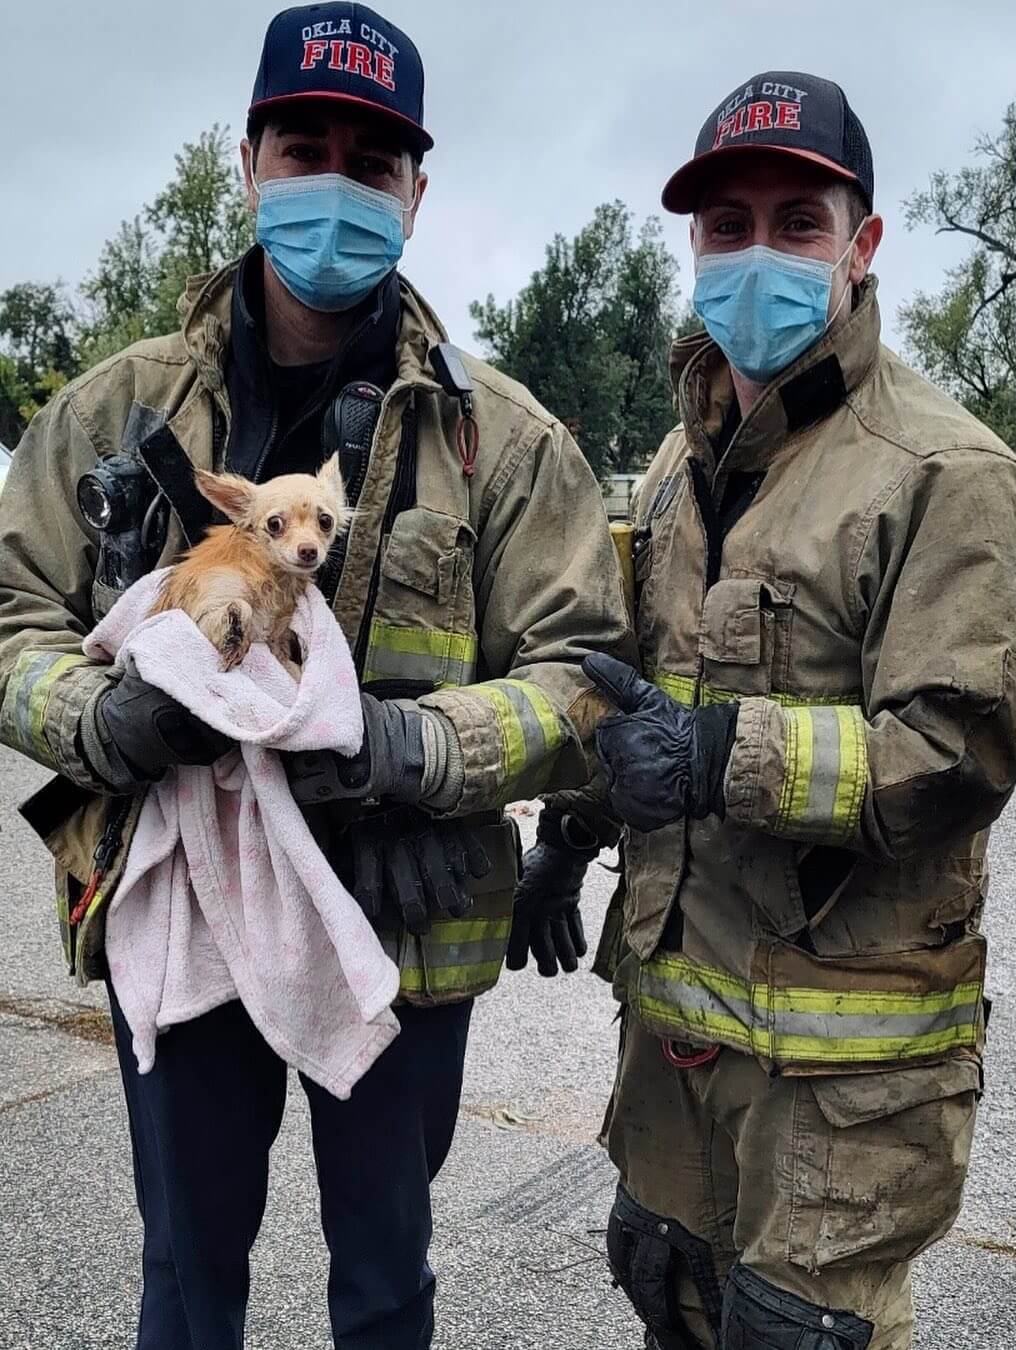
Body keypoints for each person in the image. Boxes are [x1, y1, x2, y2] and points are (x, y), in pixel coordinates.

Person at [0, 6, 632, 1347]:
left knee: (388, 1285)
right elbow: (12, 618)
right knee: (185, 1277)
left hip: (402, 928)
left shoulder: (506, 444)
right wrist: (99, 717)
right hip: (179, 910)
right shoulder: (119, 413)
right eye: (304, 144)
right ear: (248, 163)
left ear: (417, 186)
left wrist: (419, 750)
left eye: (370, 155)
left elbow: (587, 678)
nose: (335, 179)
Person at [518, 71, 1016, 1349]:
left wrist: (720, 755)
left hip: (844, 1088)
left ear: (862, 244)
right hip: (676, 1041)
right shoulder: (677, 465)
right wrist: (570, 834)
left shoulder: (951, 476)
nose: (755, 252)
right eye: (726, 225)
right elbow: (634, 691)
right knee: (672, 1300)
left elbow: (954, 755)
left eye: (795, 221)